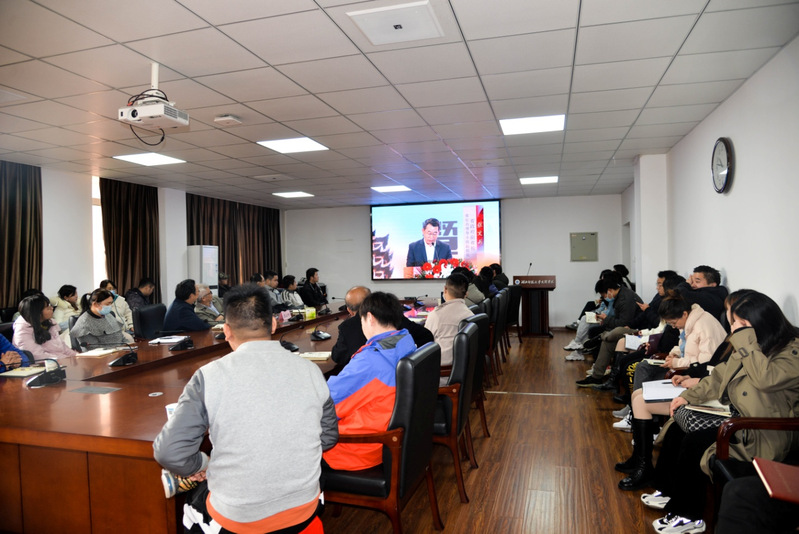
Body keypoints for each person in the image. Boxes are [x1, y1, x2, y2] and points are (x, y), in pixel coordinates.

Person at [153, 283, 338, 533]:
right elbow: (328, 437)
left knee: (191, 507)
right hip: (305, 507)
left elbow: (169, 452)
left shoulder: (208, 376)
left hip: (239, 517)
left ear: (226, 330)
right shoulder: (311, 371)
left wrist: (203, 464)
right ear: (274, 325)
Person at [648, 290, 799, 533]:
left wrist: (745, 339)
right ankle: (671, 492)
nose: (734, 330)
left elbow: (765, 380)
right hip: (743, 424)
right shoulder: (754, 345)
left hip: (768, 434)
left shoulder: (791, 351)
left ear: (761, 322)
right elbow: (719, 377)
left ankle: (690, 516)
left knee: (695, 443)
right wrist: (688, 396)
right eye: (733, 323)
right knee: (678, 428)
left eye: (740, 324)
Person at [323, 291, 417, 470]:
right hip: (392, 439)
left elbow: (325, 404)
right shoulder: (405, 341)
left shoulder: (370, 361)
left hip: (359, 450)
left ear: (370, 318)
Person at [330, 286, 433, 369]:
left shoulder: (346, 327)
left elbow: (338, 356)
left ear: (349, 310)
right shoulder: (392, 316)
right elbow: (427, 337)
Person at [576, 277, 645, 386]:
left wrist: (606, 319)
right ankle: (596, 377)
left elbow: (623, 323)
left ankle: (601, 336)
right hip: (626, 327)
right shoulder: (620, 295)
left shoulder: (625, 299)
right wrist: (606, 319)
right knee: (607, 342)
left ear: (610, 290)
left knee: (615, 331)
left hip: (637, 330)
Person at [424, 274, 474, 374]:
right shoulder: (471, 314)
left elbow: (425, 342)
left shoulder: (437, 315)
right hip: (464, 370)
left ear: (445, 289)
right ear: (466, 294)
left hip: (441, 372)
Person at [13, 294, 77, 360]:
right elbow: (36, 355)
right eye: (48, 308)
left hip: (60, 360)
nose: (52, 308)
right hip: (44, 363)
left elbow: (63, 347)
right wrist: (64, 360)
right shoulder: (23, 329)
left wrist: (76, 355)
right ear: (37, 312)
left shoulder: (50, 322)